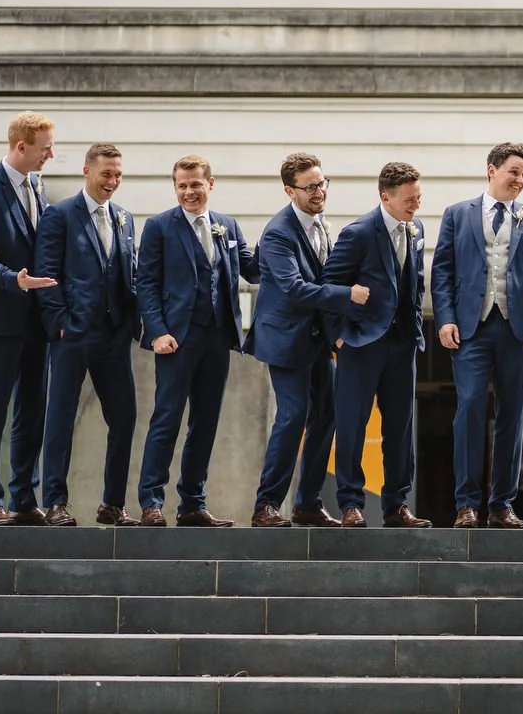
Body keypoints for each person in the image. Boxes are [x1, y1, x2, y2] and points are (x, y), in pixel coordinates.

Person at [431, 142, 523, 529]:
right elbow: (442, 270)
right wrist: (445, 318)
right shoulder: (457, 214)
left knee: (513, 417)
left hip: (517, 330)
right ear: (492, 170)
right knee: (469, 410)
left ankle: (502, 505)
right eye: (513, 171)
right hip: (471, 329)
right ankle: (466, 504)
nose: (520, 180)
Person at [135, 154, 259, 528]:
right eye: (182, 185)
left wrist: (284, 238)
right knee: (167, 419)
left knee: (205, 423)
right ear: (176, 187)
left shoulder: (227, 226)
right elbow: (146, 283)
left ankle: (192, 503)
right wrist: (157, 331)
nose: (189, 191)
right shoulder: (158, 227)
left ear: (211, 184)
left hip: (217, 337)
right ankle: (151, 502)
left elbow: (251, 268)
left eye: (195, 184)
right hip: (176, 339)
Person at [244, 153, 361, 529]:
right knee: (293, 416)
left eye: (322, 183)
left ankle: (308, 502)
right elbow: (294, 289)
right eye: (310, 187)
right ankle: (266, 506)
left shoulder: (322, 225)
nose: (319, 192)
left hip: (317, 340)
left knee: (326, 416)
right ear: (289, 191)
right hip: (284, 340)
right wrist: (348, 296)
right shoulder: (278, 232)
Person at [34, 143, 141, 527]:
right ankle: (55, 503)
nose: (112, 181)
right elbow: (46, 272)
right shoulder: (59, 215)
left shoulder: (126, 219)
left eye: (117, 175)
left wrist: (131, 325)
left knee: (125, 418)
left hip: (114, 336)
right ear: (87, 171)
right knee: (60, 418)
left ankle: (112, 504)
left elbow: (131, 273)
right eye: (106, 174)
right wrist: (60, 321)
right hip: (72, 334)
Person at [0, 110, 58, 527]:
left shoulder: (38, 187)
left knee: (31, 410)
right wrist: (12, 280)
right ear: (21, 146)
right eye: (45, 148)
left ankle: (23, 497)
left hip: (36, 321)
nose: (50, 156)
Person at [325, 161, 433, 529]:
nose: (416, 204)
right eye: (409, 199)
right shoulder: (357, 233)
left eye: (418, 197)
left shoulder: (416, 229)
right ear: (385, 197)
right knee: (353, 426)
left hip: (403, 345)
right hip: (360, 343)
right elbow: (330, 286)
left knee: (400, 428)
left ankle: (396, 505)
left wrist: (416, 328)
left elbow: (415, 284)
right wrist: (336, 336)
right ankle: (351, 504)